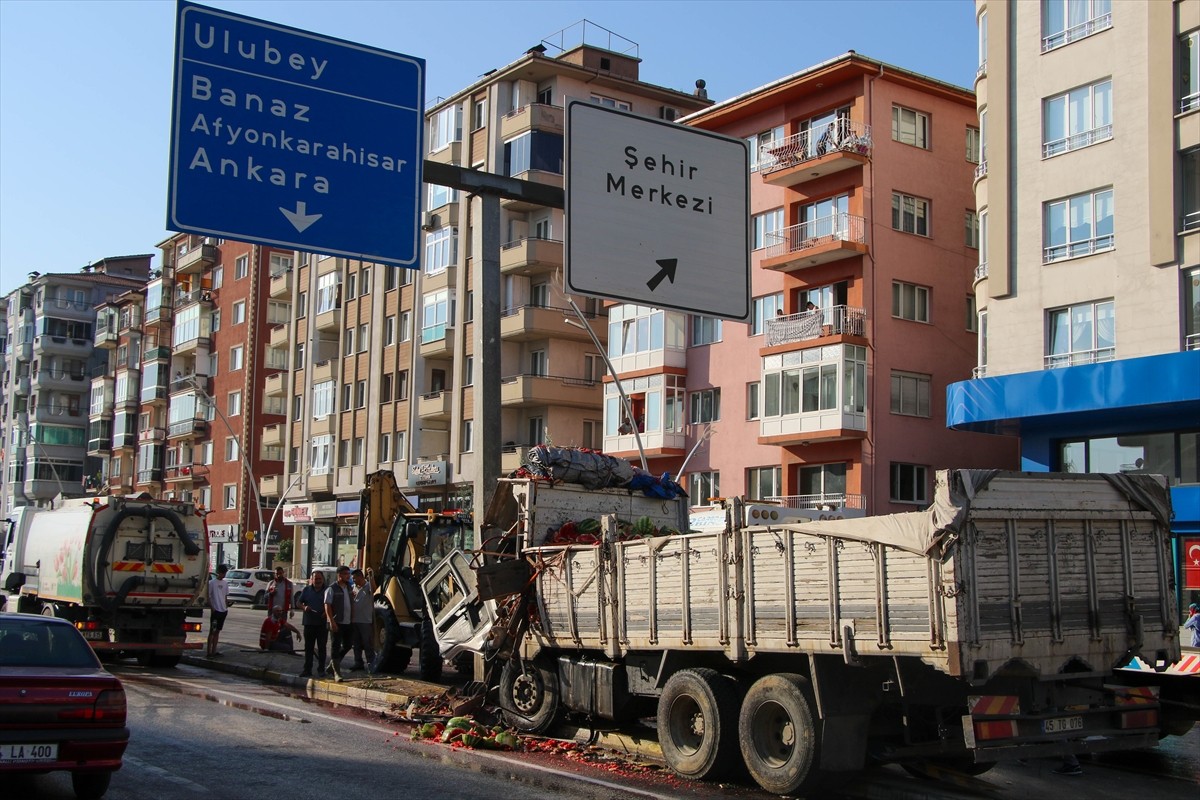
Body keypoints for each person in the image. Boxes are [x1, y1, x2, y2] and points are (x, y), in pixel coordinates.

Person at [324, 565, 355, 681]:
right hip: (337, 621)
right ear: (339, 575)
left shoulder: (349, 588)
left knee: (348, 644)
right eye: (346, 574)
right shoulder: (331, 588)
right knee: (335, 646)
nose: (348, 576)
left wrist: (352, 618)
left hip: (348, 622)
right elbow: (327, 605)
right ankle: (337, 673)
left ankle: (332, 665)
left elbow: (351, 604)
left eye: (349, 574)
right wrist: (331, 621)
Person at [296, 570, 328, 678]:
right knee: (308, 648)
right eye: (316, 579)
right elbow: (298, 603)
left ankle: (321, 670)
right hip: (309, 623)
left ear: (323, 579)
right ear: (312, 580)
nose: (318, 581)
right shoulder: (306, 590)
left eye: (319, 579)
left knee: (322, 648)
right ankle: (307, 670)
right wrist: (304, 607)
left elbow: (333, 604)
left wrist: (326, 612)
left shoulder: (327, 590)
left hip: (322, 624)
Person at [349, 568, 376, 672]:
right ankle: (358, 662)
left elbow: (374, 589)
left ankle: (371, 663)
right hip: (354, 620)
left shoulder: (367, 586)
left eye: (355, 578)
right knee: (356, 644)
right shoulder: (353, 588)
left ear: (360, 577)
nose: (354, 580)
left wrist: (371, 576)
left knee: (367, 643)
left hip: (365, 621)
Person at [206, 564, 229, 658]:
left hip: (223, 610)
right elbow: (208, 596)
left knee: (217, 631)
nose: (223, 575)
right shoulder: (212, 583)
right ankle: (209, 652)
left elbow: (225, 596)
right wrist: (212, 608)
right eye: (222, 573)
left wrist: (227, 605)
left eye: (224, 573)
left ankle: (214, 650)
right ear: (218, 572)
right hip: (216, 610)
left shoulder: (225, 583)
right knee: (212, 631)